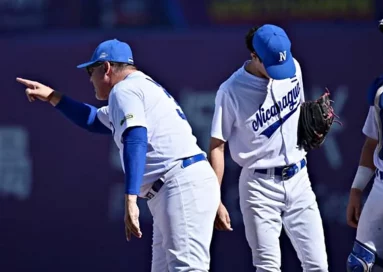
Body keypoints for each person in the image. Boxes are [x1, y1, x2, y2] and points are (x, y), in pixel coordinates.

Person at [16, 38, 220, 272]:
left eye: (90, 72)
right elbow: (93, 120)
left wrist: (130, 198)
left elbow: (135, 138)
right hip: (179, 183)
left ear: (106, 68)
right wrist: (53, 95)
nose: (89, 79)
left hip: (180, 183)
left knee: (187, 269)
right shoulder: (138, 86)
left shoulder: (124, 90)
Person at [208, 24, 329, 271]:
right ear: (254, 56)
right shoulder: (231, 91)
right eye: (271, 63)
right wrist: (214, 198)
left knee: (318, 266)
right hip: (259, 187)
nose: (279, 69)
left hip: (299, 179)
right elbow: (217, 146)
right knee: (268, 267)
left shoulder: (293, 67)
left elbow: (300, 112)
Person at [346, 6, 383, 272]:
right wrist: (355, 190)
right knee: (360, 265)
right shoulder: (382, 89)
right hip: (380, 186)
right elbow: (372, 143)